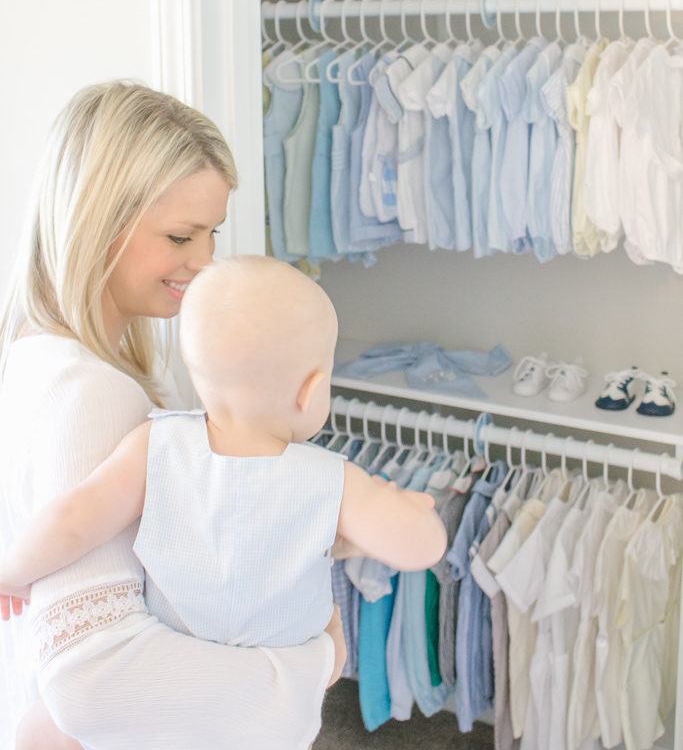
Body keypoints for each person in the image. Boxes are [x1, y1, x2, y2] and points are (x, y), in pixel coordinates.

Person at [0, 80, 346, 750]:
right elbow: (95, 680)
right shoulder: (94, 393)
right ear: (96, 220)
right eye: (181, 236)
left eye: (212, 234)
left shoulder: (28, 357)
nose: (206, 262)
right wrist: (314, 664)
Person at [0, 255, 447, 747]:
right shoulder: (331, 478)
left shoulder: (155, 445)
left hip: (169, 692)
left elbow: (74, 519)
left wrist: (11, 573)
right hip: (264, 714)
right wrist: (409, 507)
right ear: (312, 390)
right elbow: (420, 549)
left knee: (38, 730)